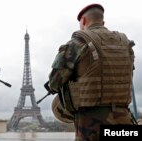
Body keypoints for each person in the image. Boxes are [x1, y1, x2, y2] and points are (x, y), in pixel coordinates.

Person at [48, 3, 136, 141]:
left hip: (91, 125)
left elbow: (54, 83)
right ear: (103, 21)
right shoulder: (126, 44)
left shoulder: (77, 43)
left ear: (83, 21)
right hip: (124, 119)